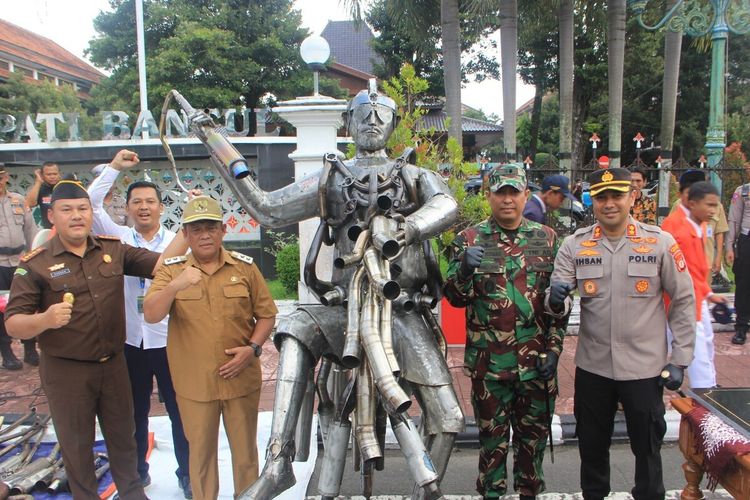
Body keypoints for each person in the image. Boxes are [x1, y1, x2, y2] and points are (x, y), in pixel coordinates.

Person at [180, 82, 463, 499]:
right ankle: (279, 462)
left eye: (380, 112)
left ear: (395, 122)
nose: (370, 119)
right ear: (347, 121)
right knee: (295, 326)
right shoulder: (331, 178)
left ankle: (425, 492)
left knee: (449, 418)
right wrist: (216, 143)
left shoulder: (414, 176)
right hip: (345, 312)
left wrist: (406, 226)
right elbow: (267, 208)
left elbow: (448, 206)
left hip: (400, 313)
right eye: (361, 112)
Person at [4, 161, 187, 500]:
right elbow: (13, 322)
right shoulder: (36, 263)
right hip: (66, 371)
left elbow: (161, 263)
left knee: (124, 437)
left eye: (83, 208)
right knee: (77, 445)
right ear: (52, 217)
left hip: (114, 365)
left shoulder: (112, 250)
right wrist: (44, 319)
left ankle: (133, 493)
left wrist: (189, 230)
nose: (77, 215)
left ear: (91, 213)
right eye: (67, 210)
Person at [546, 167, 695, 500]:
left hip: (643, 368)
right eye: (602, 197)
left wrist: (681, 358)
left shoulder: (659, 242)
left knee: (648, 450)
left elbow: (683, 300)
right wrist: (555, 299)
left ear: (633, 197)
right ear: (593, 201)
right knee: (592, 449)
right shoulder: (575, 245)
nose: (609, 204)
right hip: (594, 367)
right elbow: (557, 299)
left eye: (616, 196)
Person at [444, 164, 568, 499]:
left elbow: (558, 307)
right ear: (489, 196)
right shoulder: (469, 240)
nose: (508, 199)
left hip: (537, 369)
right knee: (492, 452)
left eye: (515, 192)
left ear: (526, 195)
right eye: (501, 192)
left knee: (532, 452)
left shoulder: (547, 239)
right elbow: (454, 299)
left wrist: (555, 351)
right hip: (490, 371)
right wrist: (465, 270)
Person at [143, 196, 277, 500]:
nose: (204, 234)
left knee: (245, 456)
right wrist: (176, 286)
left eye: (211, 227)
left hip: (240, 380)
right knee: (200, 456)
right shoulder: (172, 270)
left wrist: (252, 349)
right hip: (195, 385)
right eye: (196, 228)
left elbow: (267, 314)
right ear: (186, 235)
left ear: (223, 231)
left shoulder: (244, 268)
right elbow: (151, 314)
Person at [87, 155, 192, 498]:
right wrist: (115, 167)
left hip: (170, 341)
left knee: (181, 412)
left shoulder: (177, 242)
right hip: (131, 343)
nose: (144, 208)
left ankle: (188, 474)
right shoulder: (116, 238)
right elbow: (89, 202)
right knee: (132, 414)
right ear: (127, 208)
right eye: (137, 202)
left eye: (150, 202)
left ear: (161, 208)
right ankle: (137, 475)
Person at [662, 179, 727, 389]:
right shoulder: (675, 229)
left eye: (715, 205)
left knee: (706, 343)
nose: (714, 210)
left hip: (696, 298)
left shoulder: (698, 224)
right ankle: (705, 394)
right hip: (680, 303)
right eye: (709, 205)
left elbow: (697, 269)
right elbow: (681, 275)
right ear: (692, 203)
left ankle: (709, 387)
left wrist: (708, 294)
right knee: (696, 351)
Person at [0, 163, 38, 370]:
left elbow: (31, 229)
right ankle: (6, 352)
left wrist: (33, 257)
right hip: (0, 264)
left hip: (21, 259)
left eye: (1, 177)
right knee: (1, 309)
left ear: (5, 177)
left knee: (28, 304)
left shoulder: (18, 200)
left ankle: (30, 348)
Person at [726, 163, 750, 345]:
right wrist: (729, 247)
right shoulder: (743, 192)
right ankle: (741, 326)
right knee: (743, 284)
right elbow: (734, 219)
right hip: (746, 240)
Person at [25, 161, 61, 229]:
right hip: (49, 231)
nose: (52, 176)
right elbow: (29, 203)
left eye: (55, 174)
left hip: (66, 230)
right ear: (42, 175)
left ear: (59, 174)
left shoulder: (65, 187)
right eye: (49, 174)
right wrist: (38, 182)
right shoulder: (40, 189)